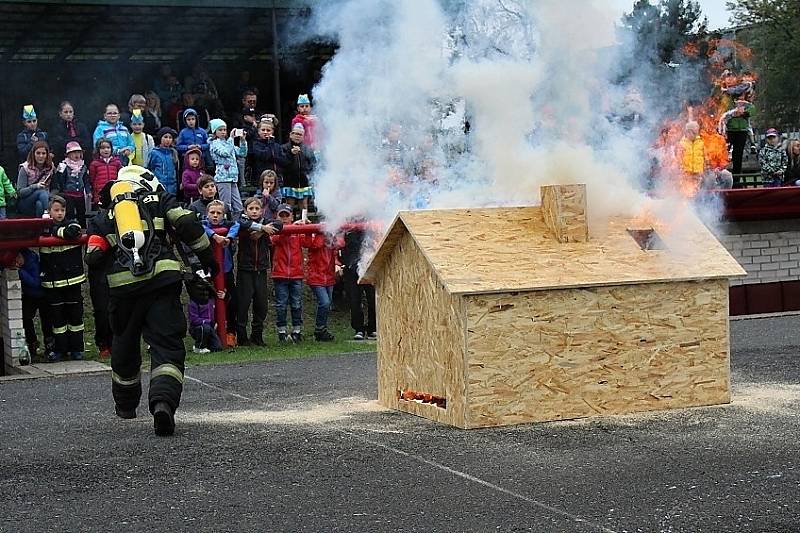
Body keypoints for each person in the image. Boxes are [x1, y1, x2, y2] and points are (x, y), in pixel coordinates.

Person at [85, 165, 216, 436]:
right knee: (167, 347)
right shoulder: (159, 200)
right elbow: (188, 225)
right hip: (162, 285)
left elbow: (94, 255)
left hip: (122, 293)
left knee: (124, 346)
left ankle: (125, 406)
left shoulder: (105, 214)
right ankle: (162, 404)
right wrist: (207, 259)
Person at [39, 195, 85, 362]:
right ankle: (60, 349)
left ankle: (77, 349)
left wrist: (55, 231)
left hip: (72, 280)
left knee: (76, 318)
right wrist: (52, 230)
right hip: (52, 282)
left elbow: (72, 232)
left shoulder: (72, 224)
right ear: (49, 211)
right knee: (57, 320)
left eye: (62, 210)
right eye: (56, 210)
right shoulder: (43, 227)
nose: (60, 213)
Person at [236, 197, 281, 346]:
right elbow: (244, 223)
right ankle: (242, 337)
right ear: (245, 210)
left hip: (261, 269)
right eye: (251, 209)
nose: (254, 211)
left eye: (257, 209)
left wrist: (261, 231)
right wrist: (262, 228)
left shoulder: (265, 220)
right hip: (245, 269)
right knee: (243, 304)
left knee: (261, 305)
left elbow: (279, 224)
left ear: (261, 210)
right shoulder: (241, 220)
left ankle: (257, 336)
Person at [203, 200, 240, 346]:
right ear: (207, 214)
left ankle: (231, 332)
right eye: (212, 212)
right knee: (209, 302)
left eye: (219, 213)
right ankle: (211, 335)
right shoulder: (203, 224)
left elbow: (237, 225)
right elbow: (199, 226)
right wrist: (214, 235)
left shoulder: (228, 225)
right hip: (209, 271)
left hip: (226, 270)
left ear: (223, 215)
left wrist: (228, 237)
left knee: (232, 301)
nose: (215, 215)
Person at [270, 204, 305, 343]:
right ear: (276, 217)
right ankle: (282, 331)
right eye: (281, 216)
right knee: (281, 304)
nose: (284, 219)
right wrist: (284, 228)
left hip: (296, 273)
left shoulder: (297, 230)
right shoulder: (274, 230)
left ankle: (297, 330)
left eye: (287, 216)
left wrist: (304, 226)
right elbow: (274, 240)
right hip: (280, 273)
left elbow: (308, 243)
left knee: (296, 303)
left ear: (292, 217)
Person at [16, 249, 54, 361]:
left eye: (18, 259)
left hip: (42, 294)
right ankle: (32, 343)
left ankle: (49, 346)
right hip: (29, 295)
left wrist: (20, 271)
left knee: (47, 321)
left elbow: (35, 282)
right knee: (26, 318)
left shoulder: (32, 261)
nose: (16, 262)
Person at [305, 231, 342, 342]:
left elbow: (340, 244)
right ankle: (320, 329)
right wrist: (321, 234)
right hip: (316, 277)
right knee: (324, 302)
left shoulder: (332, 242)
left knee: (327, 304)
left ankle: (322, 329)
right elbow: (315, 244)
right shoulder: (316, 239)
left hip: (329, 278)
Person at [341, 226, 376, 340]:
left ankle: (373, 328)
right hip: (351, 268)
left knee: (372, 298)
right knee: (355, 300)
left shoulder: (370, 225)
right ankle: (359, 329)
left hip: (368, 265)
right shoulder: (346, 225)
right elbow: (338, 244)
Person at [209, 118, 247, 219]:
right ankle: (226, 224)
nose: (223, 132)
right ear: (214, 132)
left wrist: (243, 140)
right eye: (220, 130)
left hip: (233, 178)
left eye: (224, 130)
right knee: (226, 205)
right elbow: (225, 153)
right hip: (223, 178)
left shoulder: (228, 142)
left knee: (238, 206)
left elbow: (242, 153)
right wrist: (231, 138)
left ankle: (237, 224)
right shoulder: (214, 143)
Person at [281, 123, 316, 218]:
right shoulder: (284, 148)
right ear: (290, 134)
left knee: (304, 207)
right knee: (289, 207)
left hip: (304, 182)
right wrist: (291, 154)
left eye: (300, 134)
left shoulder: (308, 149)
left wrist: (308, 173)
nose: (297, 136)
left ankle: (304, 226)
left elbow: (313, 164)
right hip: (289, 182)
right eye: (295, 134)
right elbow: (282, 163)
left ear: (303, 136)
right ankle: (289, 226)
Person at [53, 141, 91, 227]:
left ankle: (83, 229)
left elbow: (86, 180)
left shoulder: (83, 166)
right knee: (69, 212)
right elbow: (60, 179)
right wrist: (62, 191)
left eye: (78, 152)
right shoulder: (64, 165)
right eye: (74, 153)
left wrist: (88, 191)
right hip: (68, 194)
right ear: (68, 155)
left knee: (81, 212)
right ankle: (69, 227)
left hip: (80, 194)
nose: (76, 155)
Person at [16, 141, 54, 217]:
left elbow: (56, 188)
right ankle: (48, 213)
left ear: (47, 155)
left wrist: (48, 195)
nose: (41, 156)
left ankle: (42, 226)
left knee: (39, 204)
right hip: (26, 201)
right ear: (33, 154)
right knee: (41, 191)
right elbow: (20, 192)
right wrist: (35, 186)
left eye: (43, 153)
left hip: (45, 199)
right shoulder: (25, 168)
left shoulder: (51, 167)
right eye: (38, 153)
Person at [718, 98, 755, 175]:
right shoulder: (727, 99)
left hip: (742, 131)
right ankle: (721, 175)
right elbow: (723, 116)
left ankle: (736, 179)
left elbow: (752, 111)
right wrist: (733, 114)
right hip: (730, 131)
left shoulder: (747, 100)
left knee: (738, 155)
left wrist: (743, 113)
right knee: (723, 153)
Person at [252, 119, 287, 189]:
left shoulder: (277, 146)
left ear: (272, 132)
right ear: (258, 131)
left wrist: (274, 157)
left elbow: (283, 161)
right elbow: (264, 156)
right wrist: (270, 144)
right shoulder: (256, 145)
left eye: (268, 130)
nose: (265, 132)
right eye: (263, 130)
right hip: (262, 179)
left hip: (276, 179)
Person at [88, 138, 122, 210]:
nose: (106, 150)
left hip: (114, 193)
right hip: (101, 195)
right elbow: (92, 180)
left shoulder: (117, 162)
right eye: (102, 148)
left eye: (108, 147)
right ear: (98, 150)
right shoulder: (94, 164)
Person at [146, 127, 179, 195]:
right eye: (165, 137)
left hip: (172, 186)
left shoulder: (173, 153)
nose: (168, 140)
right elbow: (150, 168)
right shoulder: (154, 153)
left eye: (170, 137)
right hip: (159, 186)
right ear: (160, 138)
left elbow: (176, 168)